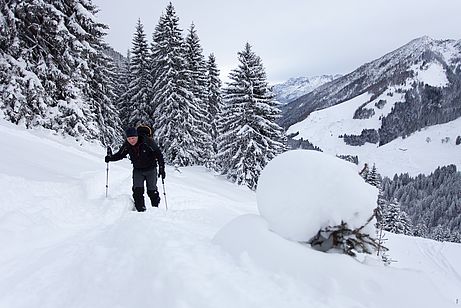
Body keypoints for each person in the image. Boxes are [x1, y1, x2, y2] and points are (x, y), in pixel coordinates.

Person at [105, 127, 166, 212]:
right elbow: (120, 155)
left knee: (152, 190)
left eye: (133, 138)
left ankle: (155, 209)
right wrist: (110, 158)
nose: (131, 140)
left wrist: (162, 169)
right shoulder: (127, 145)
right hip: (138, 170)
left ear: (137, 136)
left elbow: (159, 155)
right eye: (129, 139)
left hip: (151, 169)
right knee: (137, 191)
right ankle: (141, 211)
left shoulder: (148, 142)